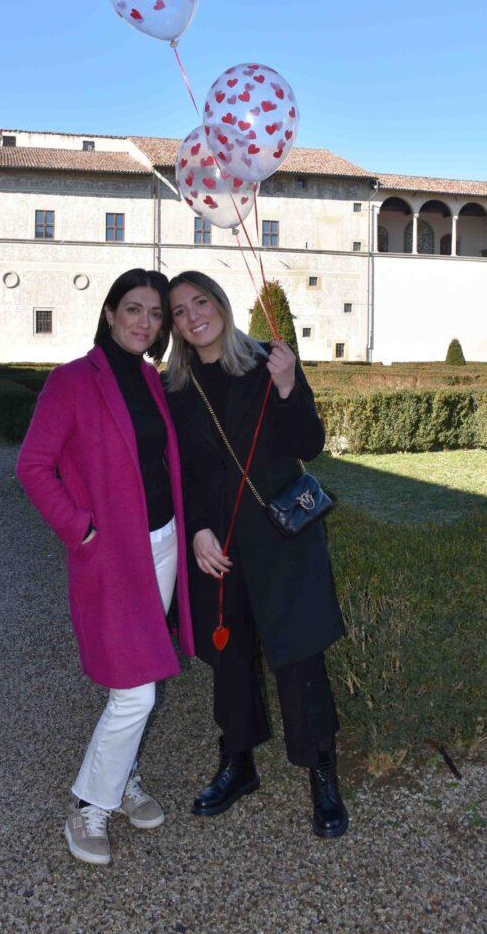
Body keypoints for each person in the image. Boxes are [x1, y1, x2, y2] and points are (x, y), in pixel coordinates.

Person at [16, 268, 194, 866]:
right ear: (111, 313)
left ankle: (120, 780)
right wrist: (82, 530)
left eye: (154, 315)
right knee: (136, 693)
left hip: (162, 544)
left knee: (137, 680)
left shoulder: (151, 380)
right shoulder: (72, 381)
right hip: (112, 554)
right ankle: (89, 805)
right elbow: (33, 466)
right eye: (134, 310)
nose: (145, 323)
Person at [164, 271, 348, 838]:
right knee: (230, 658)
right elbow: (184, 475)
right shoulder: (174, 389)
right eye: (179, 311)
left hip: (281, 534)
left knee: (298, 656)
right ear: (172, 327)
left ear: (221, 304)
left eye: (201, 302)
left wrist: (291, 386)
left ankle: (322, 776)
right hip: (219, 543)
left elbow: (308, 445)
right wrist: (196, 530)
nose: (194, 316)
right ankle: (237, 763)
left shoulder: (270, 361)